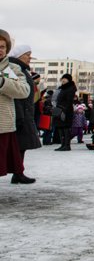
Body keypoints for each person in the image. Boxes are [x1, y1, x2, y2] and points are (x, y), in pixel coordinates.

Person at [0, 30, 34, 184]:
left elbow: (24, 90)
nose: (0, 50)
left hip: (3, 125)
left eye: (2, 46)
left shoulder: (9, 68)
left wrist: (2, 82)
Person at [8, 44, 41, 182]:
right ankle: (18, 172)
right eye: (27, 54)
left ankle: (18, 172)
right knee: (18, 145)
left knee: (22, 145)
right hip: (18, 113)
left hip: (24, 112)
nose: (30, 58)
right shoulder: (11, 69)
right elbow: (14, 91)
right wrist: (20, 114)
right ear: (19, 56)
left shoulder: (22, 69)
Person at [53, 73, 76, 152]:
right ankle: (62, 144)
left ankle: (67, 145)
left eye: (65, 79)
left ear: (68, 80)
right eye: (62, 79)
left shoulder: (70, 88)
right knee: (60, 128)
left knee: (65, 128)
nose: (63, 80)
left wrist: (63, 109)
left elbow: (69, 101)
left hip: (66, 111)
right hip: (60, 110)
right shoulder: (62, 88)